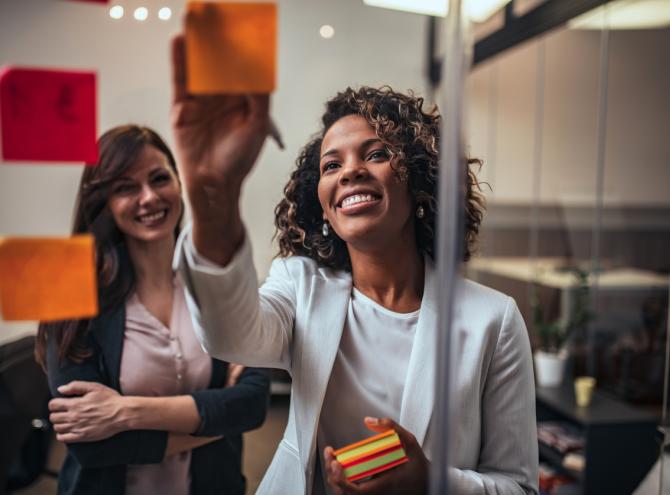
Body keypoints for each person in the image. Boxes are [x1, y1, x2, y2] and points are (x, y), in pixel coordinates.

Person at [169, 35, 538, 495]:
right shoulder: (298, 286)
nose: (349, 172)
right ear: (323, 207)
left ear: (420, 181)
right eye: (330, 165)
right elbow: (229, 336)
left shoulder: (494, 320)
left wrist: (429, 484)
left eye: (377, 154)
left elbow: (519, 487)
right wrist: (214, 196)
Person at [34, 125, 270, 495]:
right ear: (104, 201)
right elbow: (92, 445)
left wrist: (123, 412)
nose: (149, 198)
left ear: (179, 182)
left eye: (159, 178)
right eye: (126, 187)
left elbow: (254, 402)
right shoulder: (67, 297)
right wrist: (218, 417)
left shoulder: (213, 283)